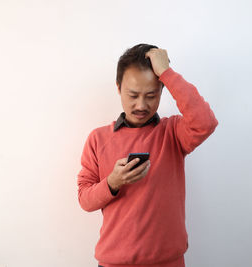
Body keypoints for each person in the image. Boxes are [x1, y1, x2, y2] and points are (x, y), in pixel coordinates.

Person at [77, 43, 218, 267]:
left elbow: (205, 122)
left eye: (151, 95)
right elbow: (84, 199)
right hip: (114, 262)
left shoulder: (173, 133)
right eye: (133, 95)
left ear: (163, 90)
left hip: (168, 261)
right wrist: (113, 182)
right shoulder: (98, 139)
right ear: (118, 88)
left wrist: (167, 74)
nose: (141, 105)